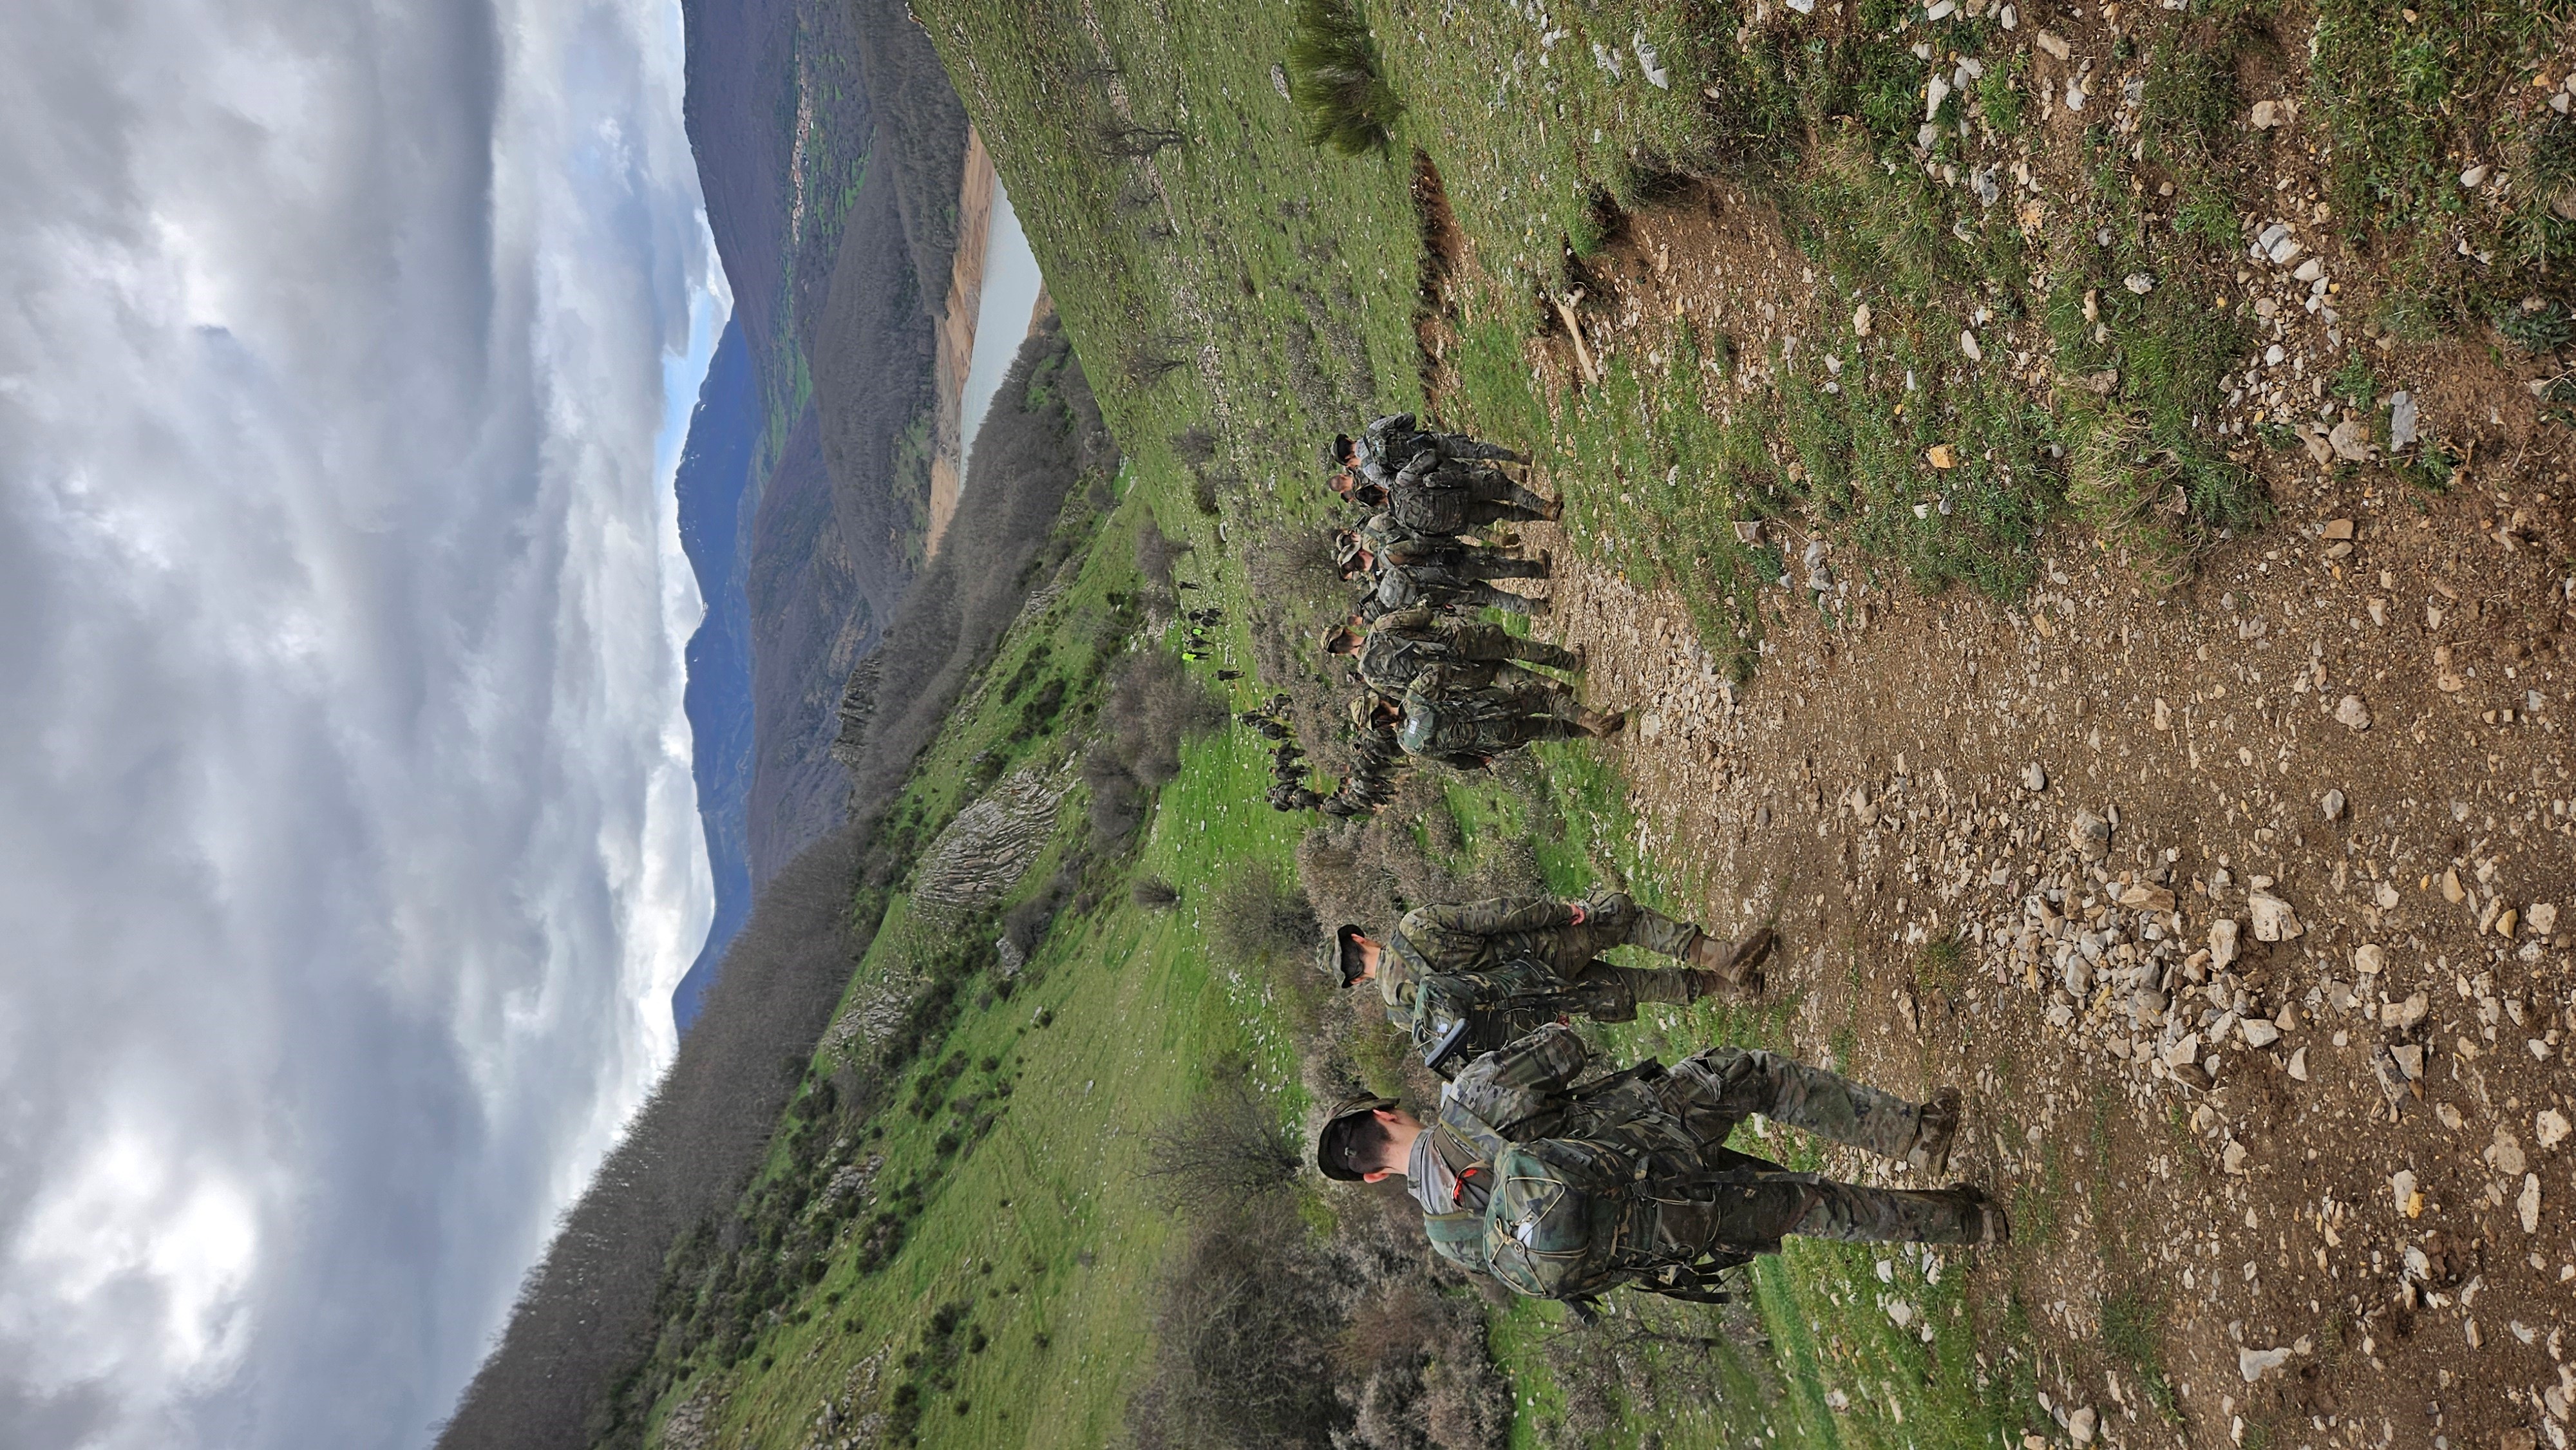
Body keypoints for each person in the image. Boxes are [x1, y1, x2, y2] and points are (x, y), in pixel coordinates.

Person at [1314, 1024, 1998, 1313]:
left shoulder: (1448, 1237)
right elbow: (1565, 1047)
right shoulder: (1465, 1099)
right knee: (1746, 1073)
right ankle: (1915, 1132)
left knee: (1808, 1204)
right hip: (1656, 1130)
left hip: (1665, 1230)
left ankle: (1969, 1220)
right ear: (1384, 1114)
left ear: (1375, 1178)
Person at [1323, 890, 1770, 1072]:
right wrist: (1561, 911)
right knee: (1621, 915)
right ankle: (1721, 959)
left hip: (1540, 1002)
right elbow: (1496, 916)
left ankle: (1727, 990)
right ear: (1361, 938)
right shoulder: (1415, 926)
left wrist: (1543, 1028)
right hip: (1545, 950)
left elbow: (1481, 1048)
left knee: (1633, 987)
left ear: (1357, 982)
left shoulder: (1405, 1017)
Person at [1322, 608, 1580, 702]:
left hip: (1455, 677)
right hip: (1457, 643)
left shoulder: (1372, 679)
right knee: (1514, 647)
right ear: (1346, 630)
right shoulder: (1381, 627)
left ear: (1340, 654)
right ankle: (1570, 662)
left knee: (1502, 674)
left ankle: (1554, 689)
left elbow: (1410, 695)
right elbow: (1423, 617)